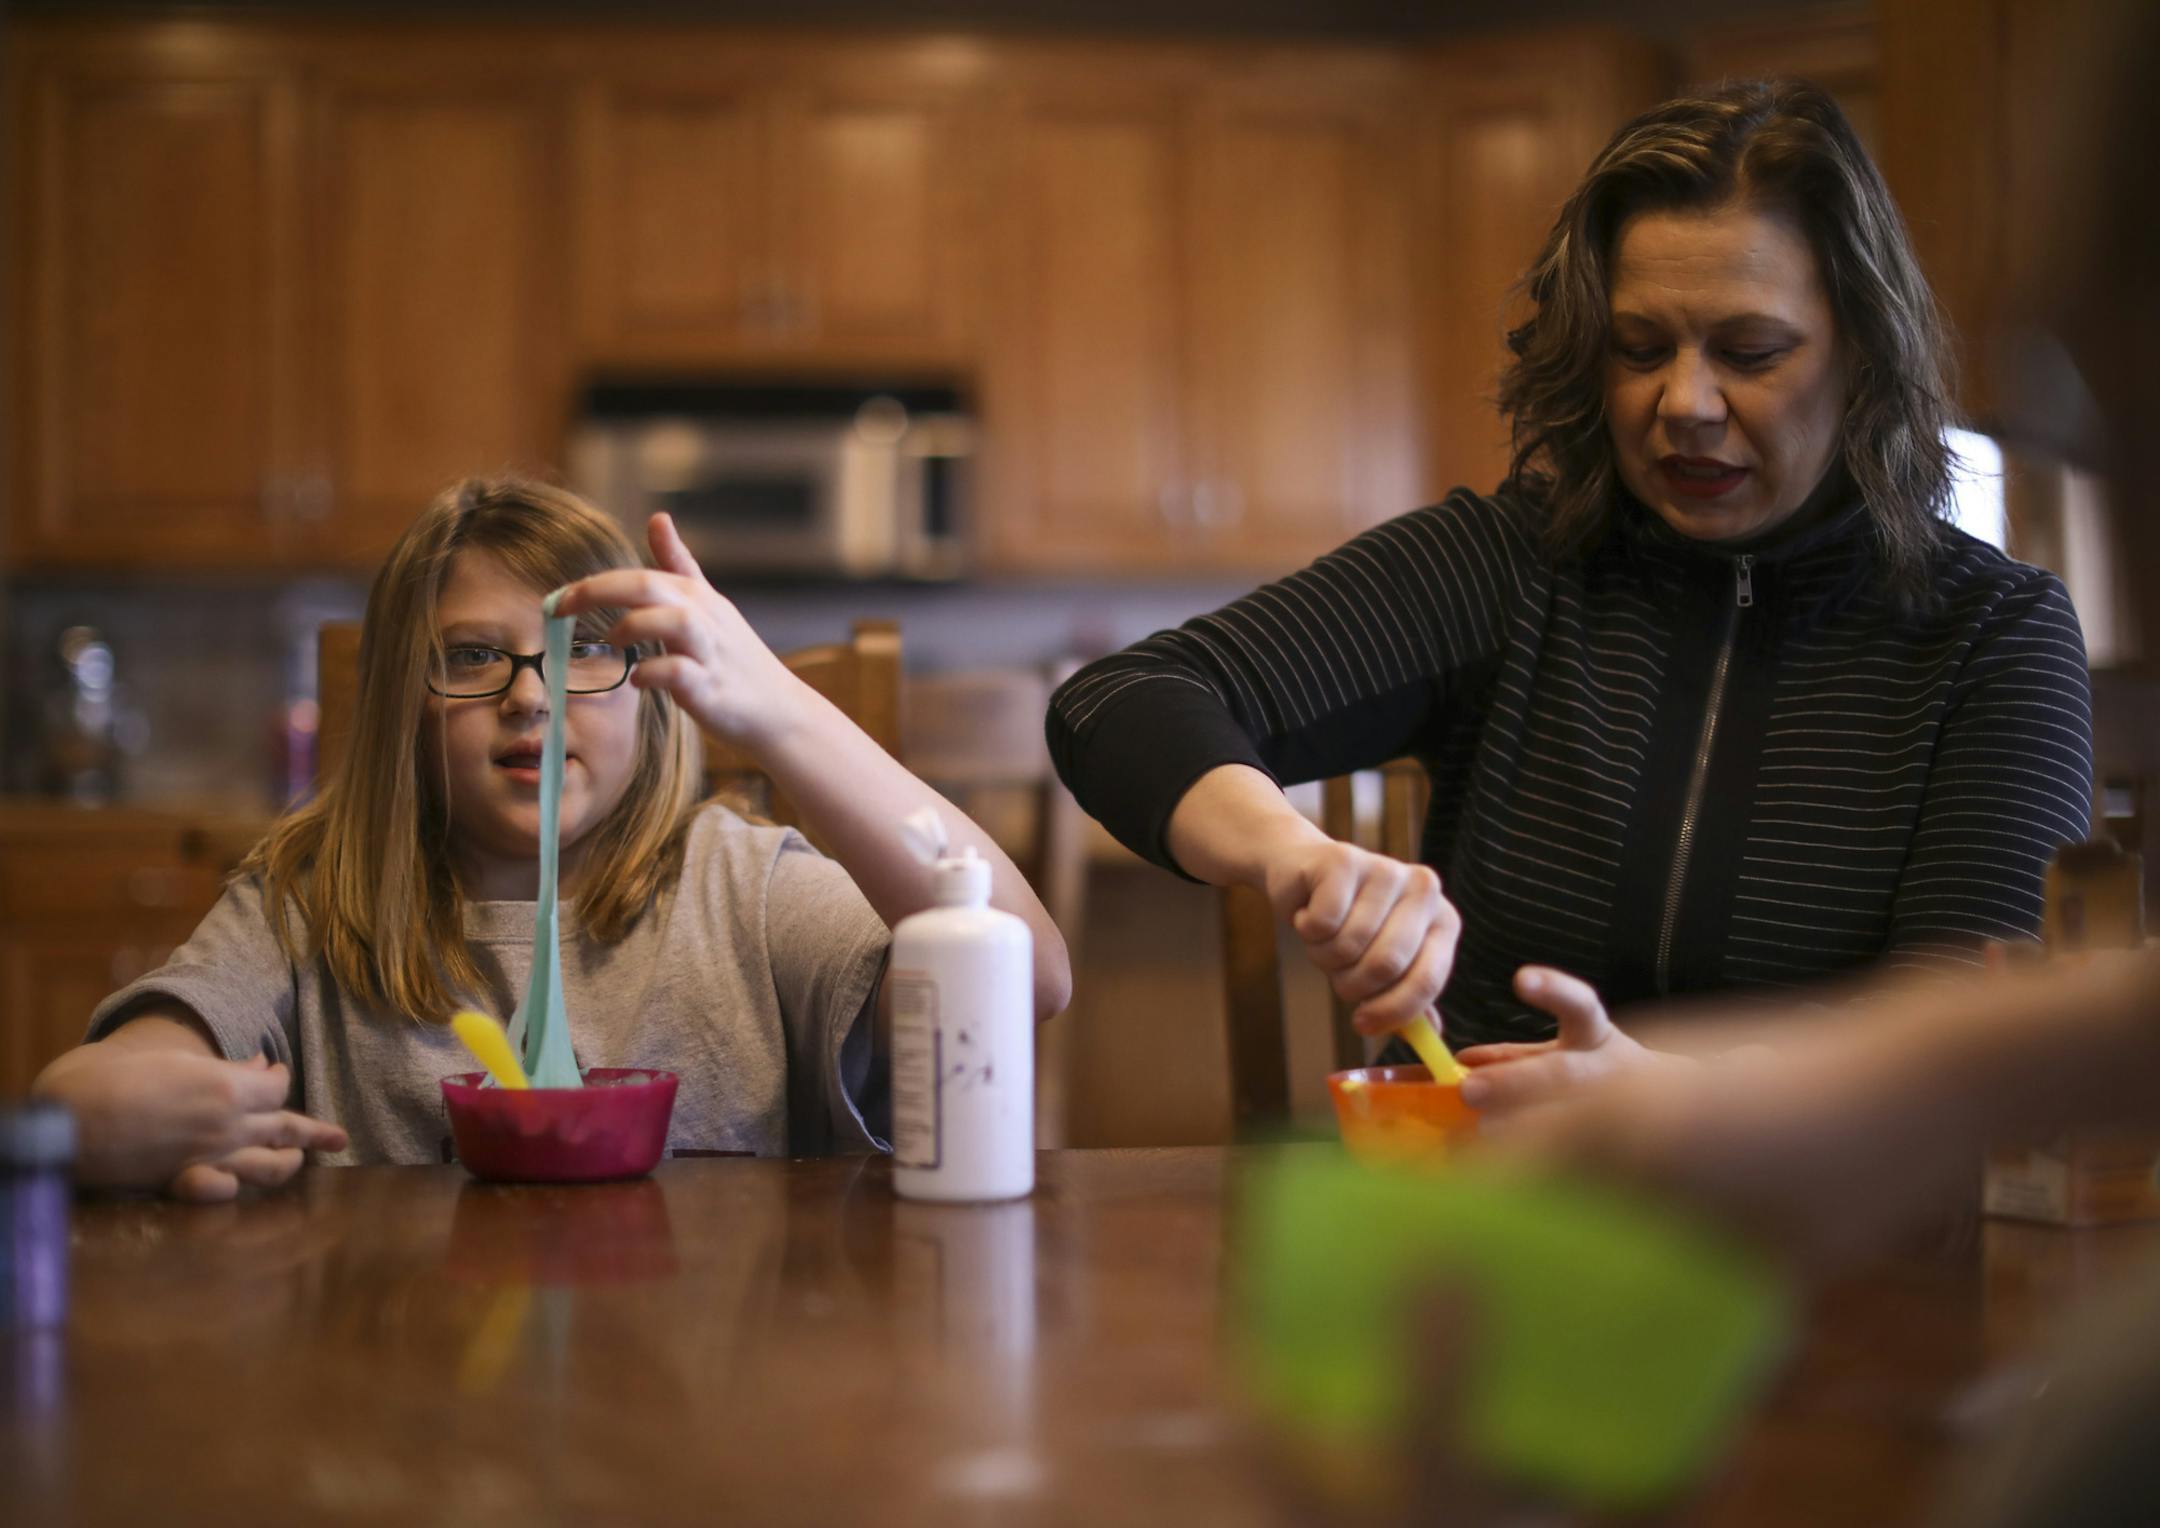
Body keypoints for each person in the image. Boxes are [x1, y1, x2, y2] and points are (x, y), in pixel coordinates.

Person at [1047, 80, 2093, 1089]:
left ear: (1863, 356)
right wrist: (1296, 858)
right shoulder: (1508, 566)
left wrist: (1664, 1097)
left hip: (1821, 1200)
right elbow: (1116, 702)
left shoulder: (1993, 634)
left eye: (1749, 352)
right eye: (1639, 348)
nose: (1684, 403)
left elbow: (1956, 1044)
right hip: (1495, 1188)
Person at [31, 477, 1072, 1200]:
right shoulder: (308, 903)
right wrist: (110, 1117)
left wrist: (780, 710)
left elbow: (1025, 977)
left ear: (655, 697)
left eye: (581, 652)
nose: (531, 697)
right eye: (473, 656)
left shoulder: (741, 890)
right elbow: (86, 1091)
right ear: (402, 706)